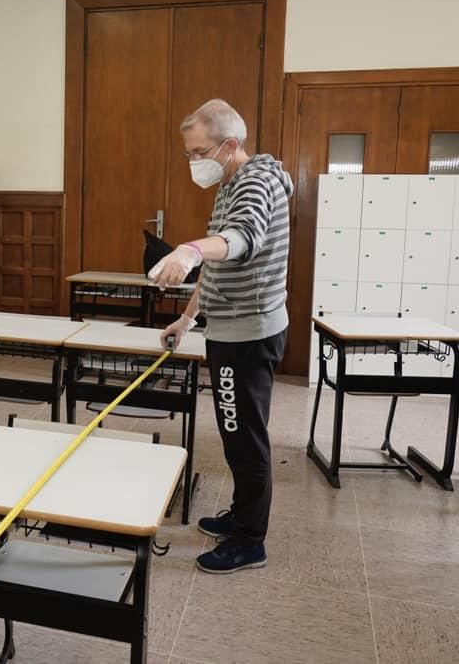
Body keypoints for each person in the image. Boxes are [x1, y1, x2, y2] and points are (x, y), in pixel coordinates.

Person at [151, 98, 292, 574]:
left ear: (229, 145)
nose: (194, 162)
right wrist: (188, 318)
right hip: (230, 326)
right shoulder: (230, 182)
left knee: (244, 434)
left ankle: (251, 540)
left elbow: (242, 238)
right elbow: (219, 263)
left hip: (249, 333)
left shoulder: (256, 182)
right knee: (235, 433)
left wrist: (189, 249)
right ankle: (243, 515)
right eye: (189, 153)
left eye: (199, 152)